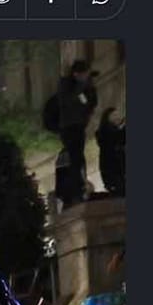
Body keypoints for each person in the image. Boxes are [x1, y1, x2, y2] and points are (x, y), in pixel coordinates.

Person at [48, 60, 99, 205]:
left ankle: (80, 184)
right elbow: (68, 100)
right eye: (84, 74)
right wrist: (81, 85)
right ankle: (77, 187)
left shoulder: (84, 86)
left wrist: (90, 90)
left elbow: (89, 103)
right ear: (77, 73)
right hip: (68, 126)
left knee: (79, 157)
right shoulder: (66, 84)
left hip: (79, 126)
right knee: (75, 157)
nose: (86, 77)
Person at [96, 108, 127, 197]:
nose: (118, 117)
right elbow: (118, 137)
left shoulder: (116, 131)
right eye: (114, 115)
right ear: (107, 118)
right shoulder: (105, 131)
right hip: (112, 176)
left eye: (118, 115)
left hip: (119, 175)